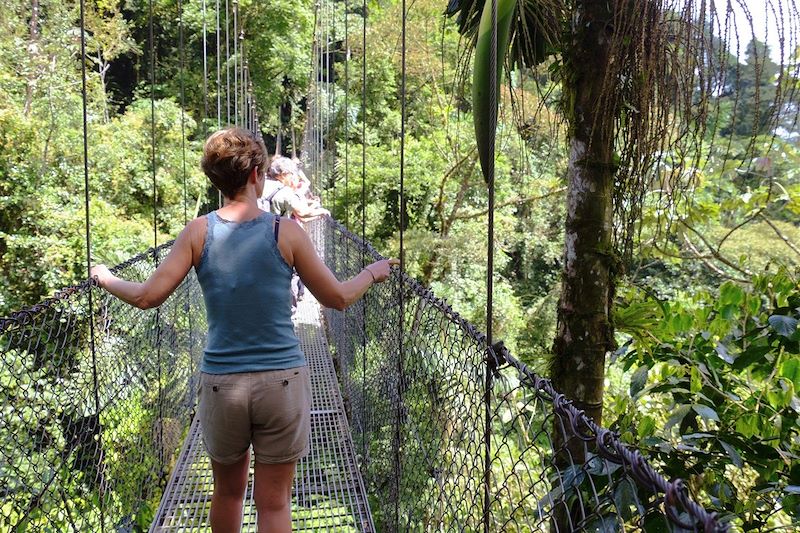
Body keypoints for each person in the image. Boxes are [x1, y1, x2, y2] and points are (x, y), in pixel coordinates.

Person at [90, 127, 397, 533]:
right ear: (257, 175)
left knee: (228, 493)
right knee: (273, 505)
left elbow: (148, 296)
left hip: (222, 385)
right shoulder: (286, 231)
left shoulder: (198, 232)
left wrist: (106, 277)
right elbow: (337, 298)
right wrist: (372, 274)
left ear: (216, 180)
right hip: (282, 383)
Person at [259, 156, 328, 222]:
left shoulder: (261, 182)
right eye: (291, 174)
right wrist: (323, 211)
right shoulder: (284, 191)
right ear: (284, 174)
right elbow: (302, 212)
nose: (292, 177)